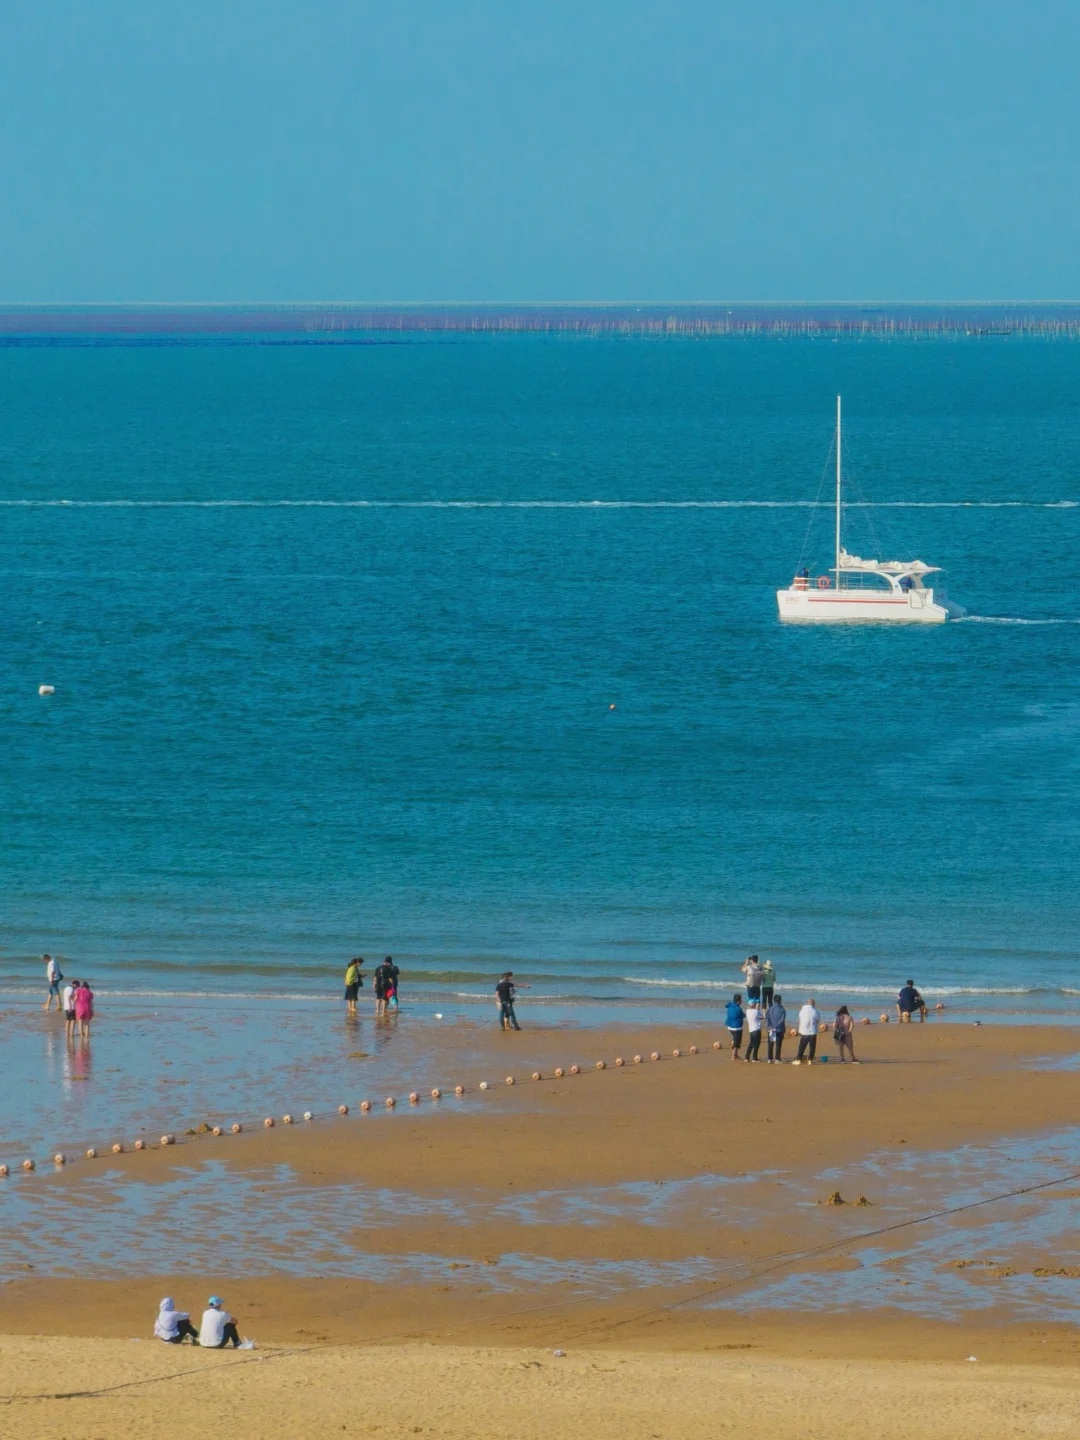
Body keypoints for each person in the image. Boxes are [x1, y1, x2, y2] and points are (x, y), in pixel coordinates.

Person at [796, 997, 821, 1063]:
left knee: (802, 1046)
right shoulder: (816, 1011)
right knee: (812, 1047)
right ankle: (810, 1059)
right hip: (812, 1032)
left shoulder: (802, 1010)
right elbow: (818, 1020)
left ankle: (799, 1059)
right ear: (813, 1004)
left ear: (808, 1003)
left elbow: (800, 1017)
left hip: (804, 1032)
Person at [766, 993, 787, 1063]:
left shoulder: (770, 1009)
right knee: (778, 1044)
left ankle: (769, 1058)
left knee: (770, 1044)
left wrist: (769, 1026)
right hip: (779, 1029)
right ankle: (777, 1059)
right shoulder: (782, 1010)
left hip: (771, 1029)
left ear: (774, 1000)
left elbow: (767, 1019)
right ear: (780, 1000)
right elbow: (782, 1020)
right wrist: (776, 1026)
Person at [725, 994, 746, 1062]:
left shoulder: (730, 1005)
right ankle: (733, 1056)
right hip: (736, 1028)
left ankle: (736, 1054)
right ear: (738, 1001)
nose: (741, 1001)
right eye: (740, 1000)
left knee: (735, 1039)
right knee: (737, 1043)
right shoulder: (738, 1009)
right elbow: (743, 1016)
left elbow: (727, 1006)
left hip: (730, 1027)